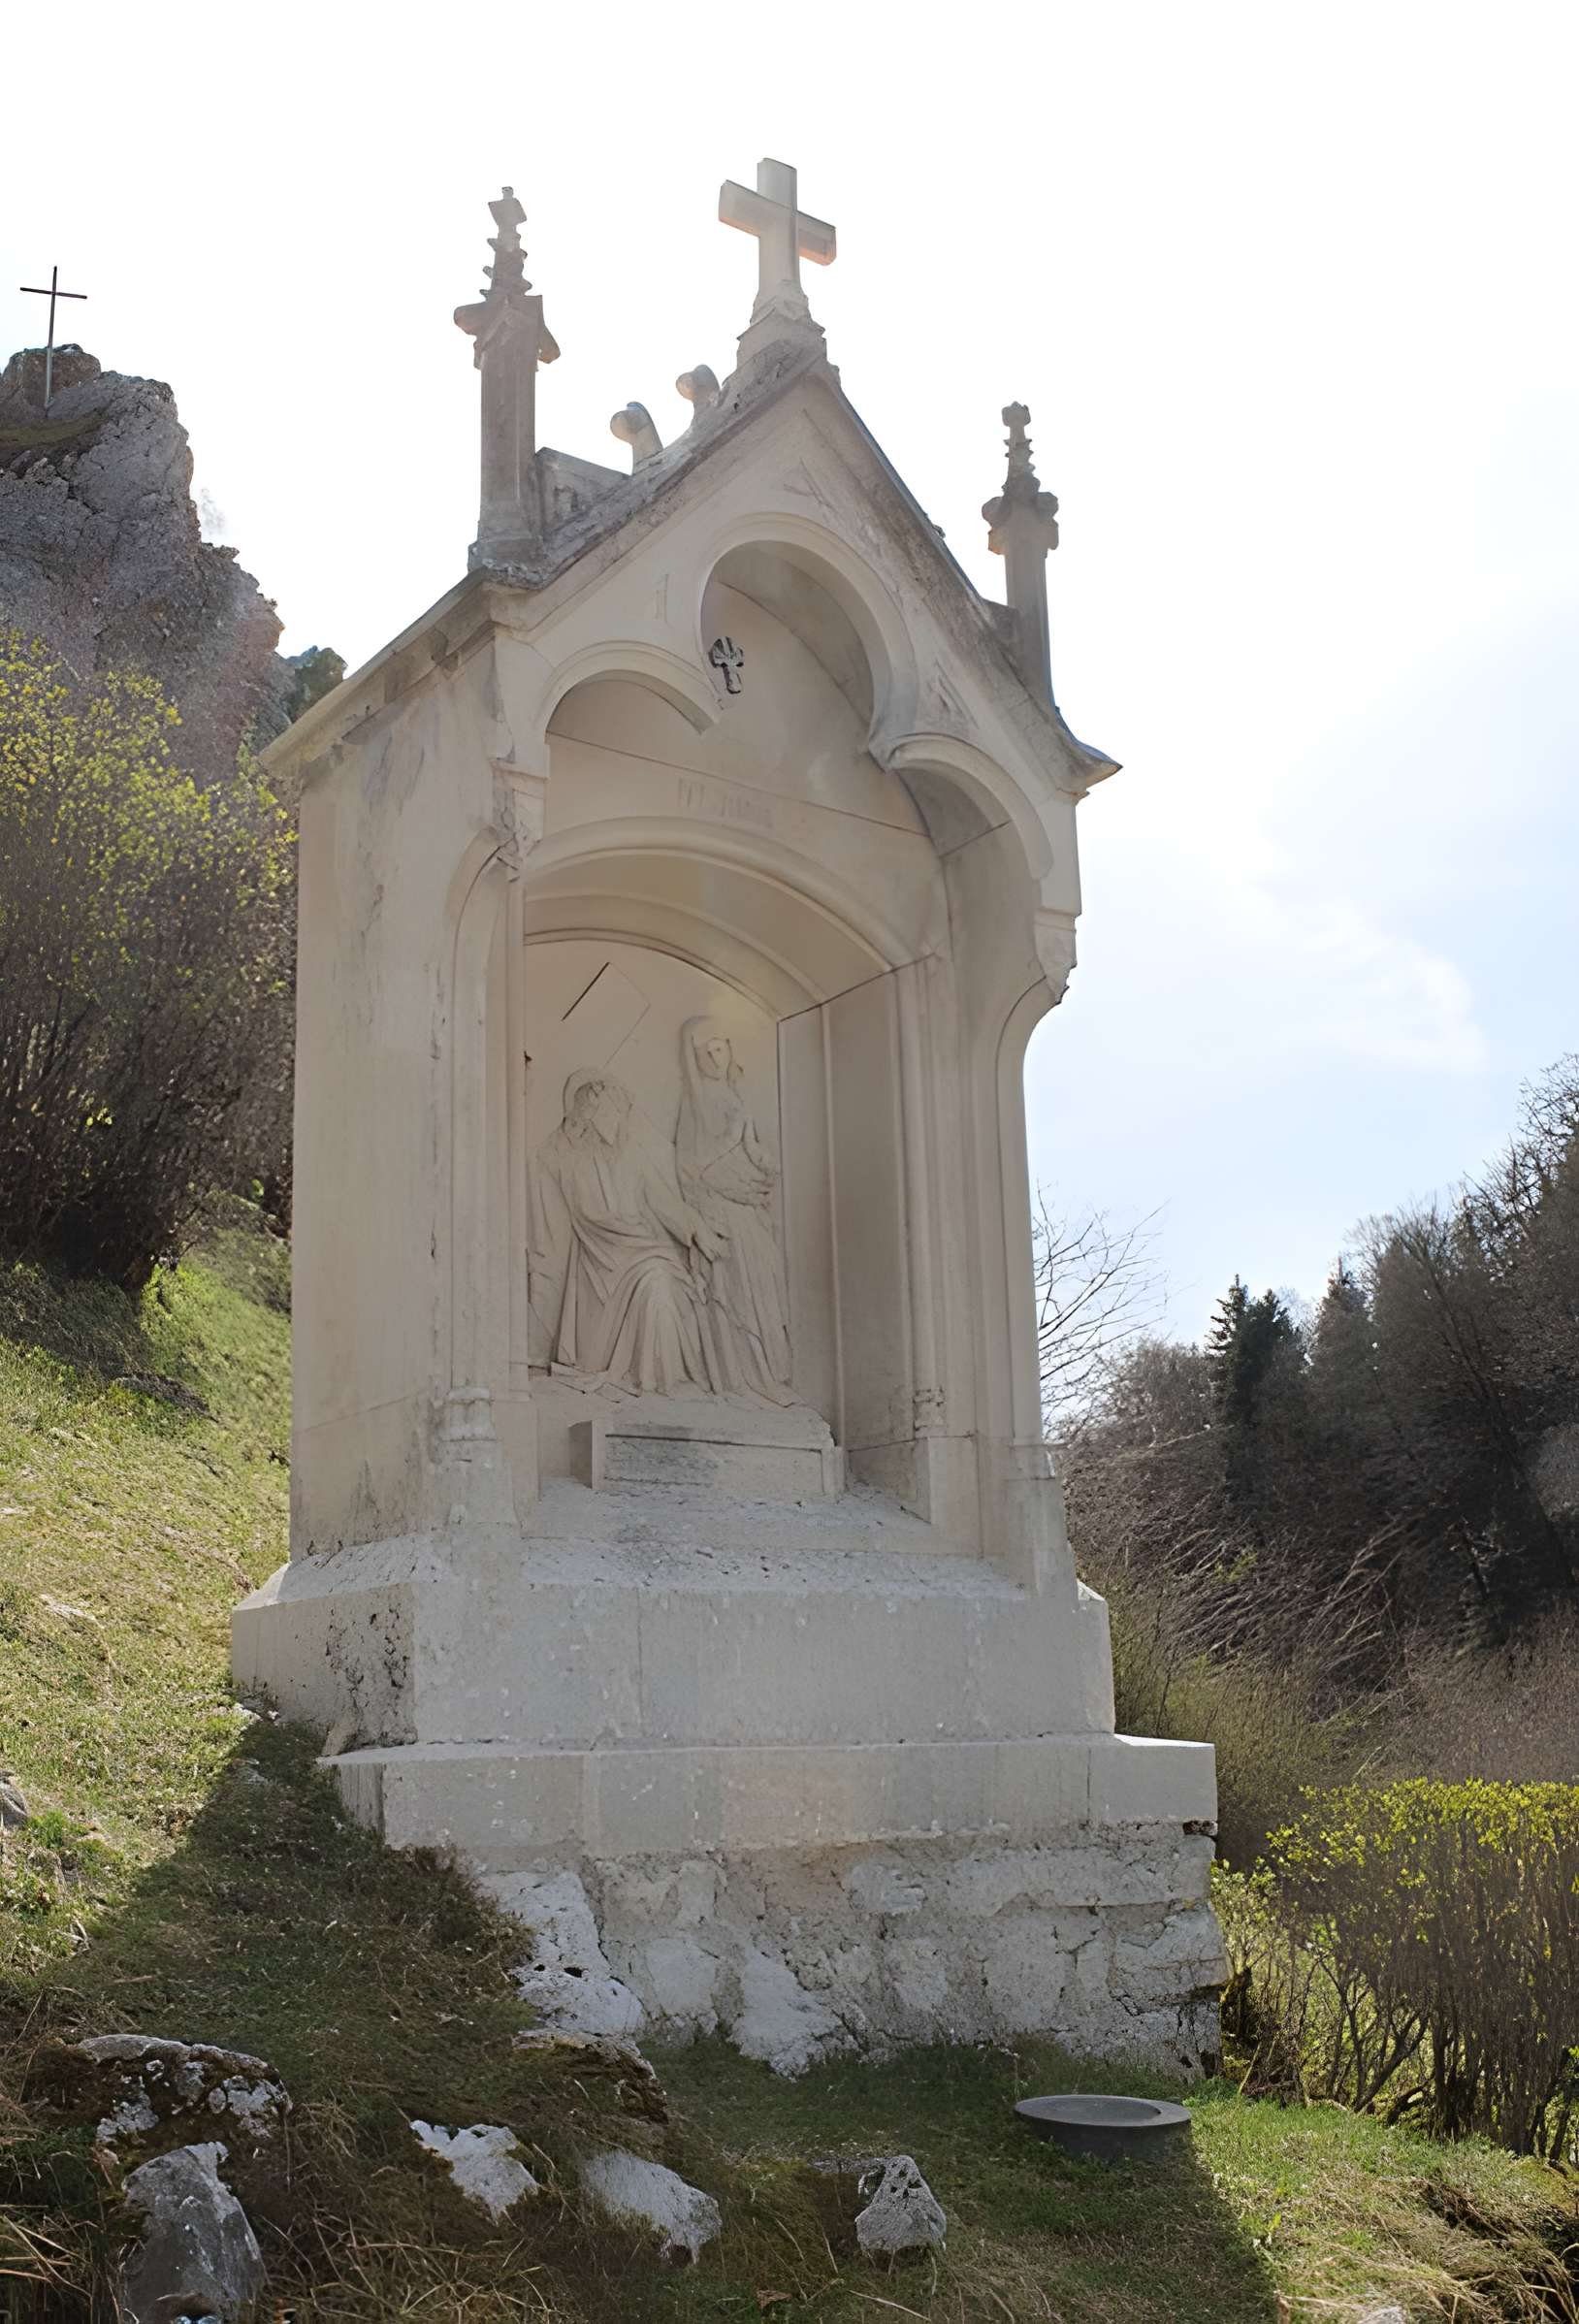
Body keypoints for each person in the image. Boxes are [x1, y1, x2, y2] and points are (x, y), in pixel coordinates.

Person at [530, 1069, 725, 1397]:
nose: (619, 1117)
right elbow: (557, 1235)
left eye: (620, 1110)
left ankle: (662, 1385)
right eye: (611, 1108)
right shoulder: (561, 1161)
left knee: (659, 1286)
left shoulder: (633, 1156)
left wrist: (697, 1230)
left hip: (645, 1255)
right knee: (655, 1285)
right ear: (589, 1111)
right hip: (598, 1270)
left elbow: (665, 1203)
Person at [675, 1017, 794, 1404]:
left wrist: (760, 1174)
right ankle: (741, 1381)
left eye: (719, 1048)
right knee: (737, 1294)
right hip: (724, 1215)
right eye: (705, 1053)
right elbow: (692, 1167)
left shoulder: (737, 1095)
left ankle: (769, 1376)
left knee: (765, 1286)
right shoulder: (699, 1101)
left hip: (750, 1212)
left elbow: (756, 1153)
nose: (714, 1058)